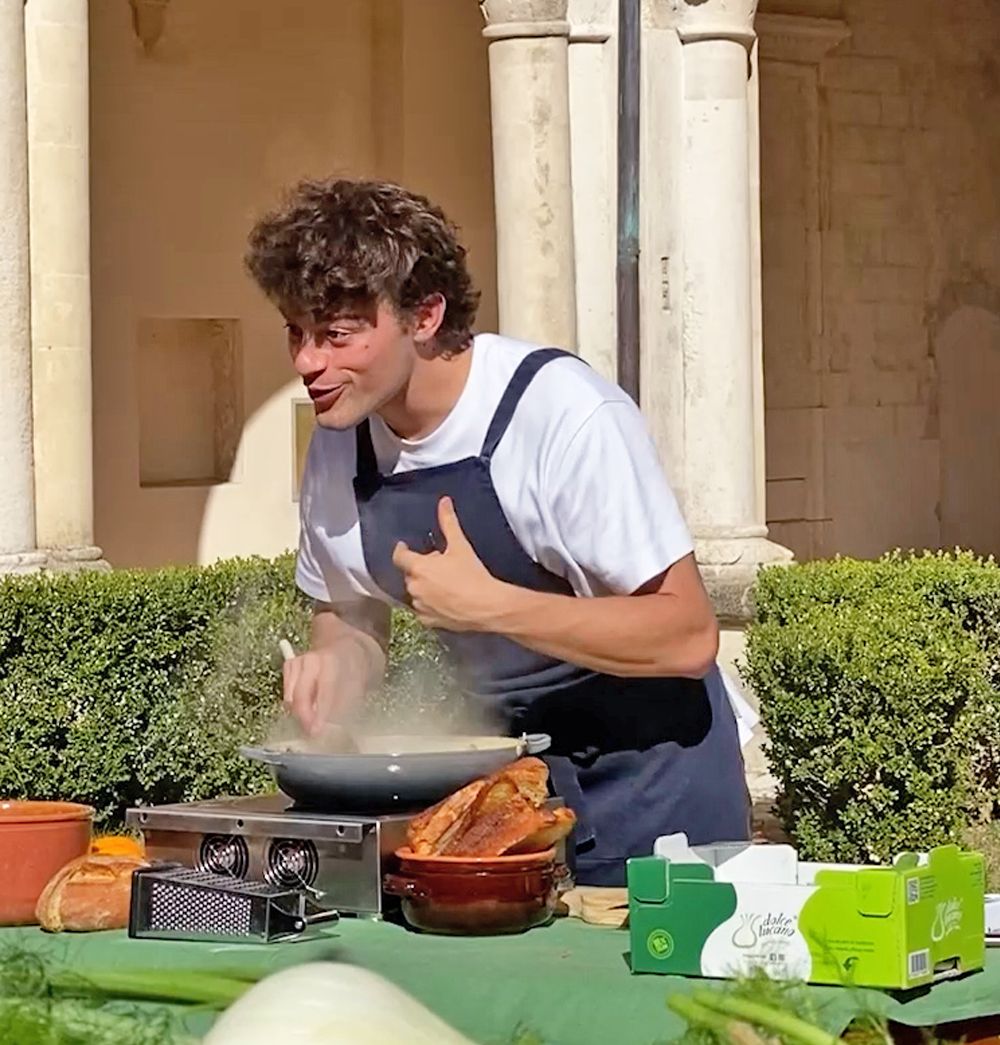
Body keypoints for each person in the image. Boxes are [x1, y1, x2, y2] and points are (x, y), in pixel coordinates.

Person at [244, 177, 751, 886]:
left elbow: (688, 634)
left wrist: (493, 606)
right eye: (295, 333)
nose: (306, 362)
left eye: (336, 335)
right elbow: (349, 614)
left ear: (425, 315)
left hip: (659, 787)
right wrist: (337, 667)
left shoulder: (563, 415)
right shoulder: (338, 442)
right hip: (506, 793)